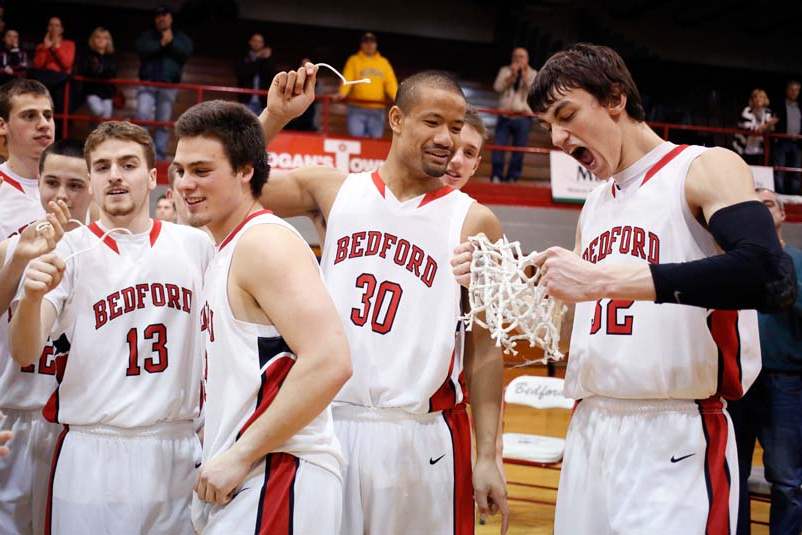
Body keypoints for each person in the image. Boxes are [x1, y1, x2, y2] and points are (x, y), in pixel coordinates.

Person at [452, 43, 797, 535]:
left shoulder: (702, 167)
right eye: (549, 126)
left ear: (615, 98)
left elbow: (771, 275)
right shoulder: (595, 205)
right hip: (591, 427)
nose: (558, 137)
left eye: (566, 115)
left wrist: (605, 279)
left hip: (675, 430)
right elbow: (577, 330)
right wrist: (509, 283)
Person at [259, 65, 509, 534]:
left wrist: (488, 455)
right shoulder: (333, 190)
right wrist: (274, 116)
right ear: (396, 119)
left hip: (420, 433)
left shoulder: (476, 221)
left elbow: (486, 350)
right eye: (433, 122)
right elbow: (233, 184)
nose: (447, 139)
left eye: (456, 128)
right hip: (328, 423)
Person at [9, 121, 214, 535]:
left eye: (128, 164)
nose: (115, 175)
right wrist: (30, 299)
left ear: (153, 177)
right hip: (92, 449)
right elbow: (24, 352)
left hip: (175, 446)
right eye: (102, 167)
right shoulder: (67, 250)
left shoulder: (197, 245)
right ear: (92, 179)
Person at [171, 100, 351, 534]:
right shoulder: (223, 245)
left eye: (201, 171)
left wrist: (240, 453)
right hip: (257, 470)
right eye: (179, 171)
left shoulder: (264, 243)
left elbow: (331, 361)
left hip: (280, 469)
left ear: (245, 171)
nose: (185, 184)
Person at [0, 140, 87, 535]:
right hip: (13, 413)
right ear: (37, 182)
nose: (62, 195)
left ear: (93, 186)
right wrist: (19, 258)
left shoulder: (105, 250)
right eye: (52, 182)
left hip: (73, 426)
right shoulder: (12, 247)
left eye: (75, 185)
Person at [728, 187, 802, 535]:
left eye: (768, 204)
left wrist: (784, 289)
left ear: (782, 214)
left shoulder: (798, 262)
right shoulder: (731, 263)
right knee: (734, 471)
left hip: (785, 382)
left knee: (787, 478)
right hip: (738, 379)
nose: (761, 209)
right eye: (753, 206)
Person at [135, 5, 193, 161]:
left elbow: (185, 53)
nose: (161, 18)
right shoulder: (148, 36)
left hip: (168, 86)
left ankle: (159, 155)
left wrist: (171, 42)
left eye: (165, 15)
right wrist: (161, 44)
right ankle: (142, 154)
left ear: (170, 18)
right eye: (158, 16)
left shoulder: (180, 37)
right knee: (142, 117)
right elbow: (141, 50)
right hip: (147, 83)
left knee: (163, 122)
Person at [337, 32, 397, 139]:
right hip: (356, 108)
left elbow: (390, 82)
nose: (369, 45)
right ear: (362, 44)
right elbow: (348, 78)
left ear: (376, 44)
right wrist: (342, 93)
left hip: (377, 109)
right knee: (356, 141)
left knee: (375, 142)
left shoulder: (383, 62)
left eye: (372, 42)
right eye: (366, 42)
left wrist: (397, 97)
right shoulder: (354, 60)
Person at [490, 48, 536, 183]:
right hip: (504, 115)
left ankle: (512, 177)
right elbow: (497, 88)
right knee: (498, 147)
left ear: (527, 59)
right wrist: (512, 76)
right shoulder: (505, 71)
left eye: (521, 57)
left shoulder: (534, 73)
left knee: (519, 150)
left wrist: (525, 75)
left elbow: (534, 92)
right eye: (515, 56)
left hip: (523, 117)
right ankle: (496, 175)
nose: (518, 59)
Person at [79, 27, 117, 119]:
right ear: (93, 39)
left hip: (107, 92)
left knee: (106, 120)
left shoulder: (111, 57)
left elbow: (112, 72)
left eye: (104, 38)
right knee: (99, 111)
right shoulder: (87, 55)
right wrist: (98, 71)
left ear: (108, 41)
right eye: (98, 37)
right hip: (92, 91)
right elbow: (85, 70)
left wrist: (99, 71)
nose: (101, 40)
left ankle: (96, 131)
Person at [733, 88, 778, 166]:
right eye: (755, 97)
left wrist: (769, 126)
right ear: (752, 99)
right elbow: (753, 131)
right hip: (744, 149)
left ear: (765, 99)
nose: (758, 99)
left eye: (761, 97)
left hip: (760, 150)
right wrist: (768, 125)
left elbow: (772, 129)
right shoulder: (747, 111)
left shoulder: (767, 112)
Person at [235, 33, 274, 115]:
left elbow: (270, 76)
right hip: (246, 100)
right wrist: (258, 58)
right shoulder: (243, 57)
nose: (257, 43)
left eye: (260, 42)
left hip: (263, 101)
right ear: (250, 42)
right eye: (255, 41)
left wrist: (268, 59)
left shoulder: (267, 59)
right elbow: (243, 74)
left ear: (263, 44)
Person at [773, 80, 801, 194]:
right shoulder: (779, 105)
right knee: (780, 169)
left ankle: (793, 196)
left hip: (798, 143)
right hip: (782, 141)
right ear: (787, 90)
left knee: (796, 171)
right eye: (792, 89)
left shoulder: (800, 106)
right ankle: (780, 195)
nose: (794, 92)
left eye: (797, 90)